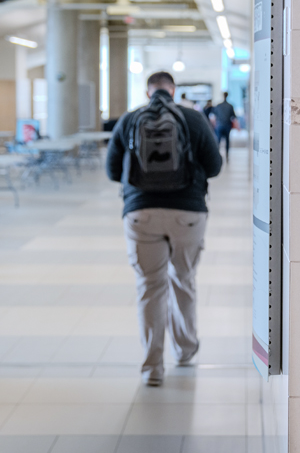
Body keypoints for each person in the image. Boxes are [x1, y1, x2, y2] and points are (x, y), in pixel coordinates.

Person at [106, 72, 222, 386]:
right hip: (188, 213)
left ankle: (152, 369)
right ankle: (185, 351)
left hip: (141, 213)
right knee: (183, 279)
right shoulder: (194, 119)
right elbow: (215, 166)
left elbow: (112, 171)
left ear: (148, 92)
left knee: (150, 287)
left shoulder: (130, 120)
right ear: (172, 90)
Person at [208, 92, 236, 159]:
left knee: (218, 141)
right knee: (227, 141)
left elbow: (213, 115)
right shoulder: (230, 106)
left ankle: (217, 155)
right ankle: (227, 155)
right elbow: (233, 116)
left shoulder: (218, 105)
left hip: (219, 125)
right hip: (227, 125)